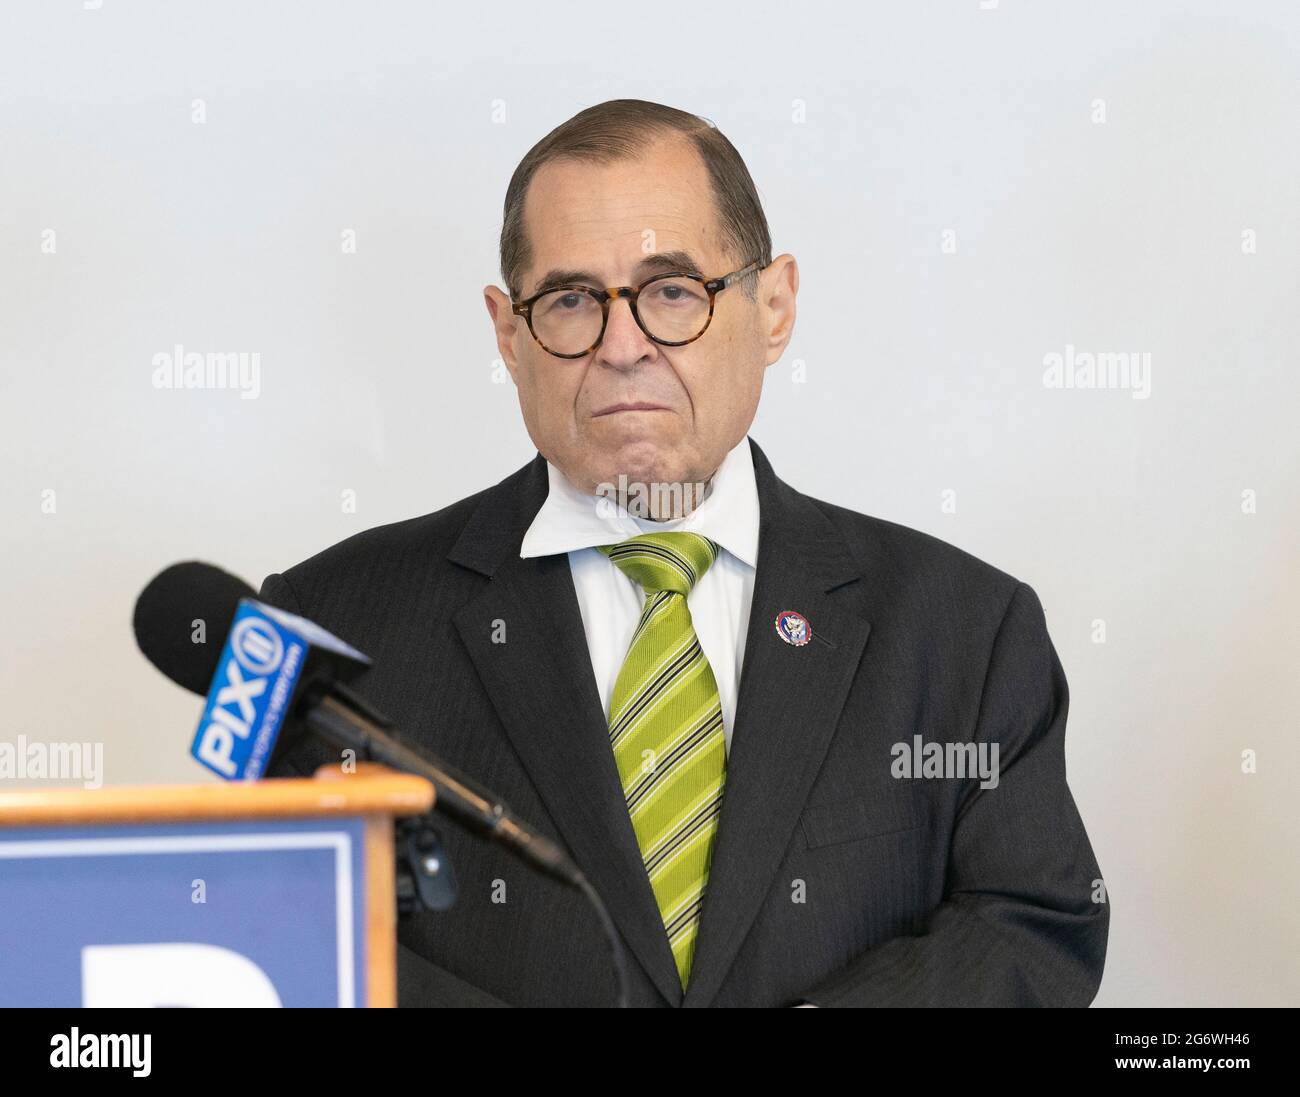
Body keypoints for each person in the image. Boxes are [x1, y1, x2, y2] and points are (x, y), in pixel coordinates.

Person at [260, 98, 1109, 1007]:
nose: (623, 347)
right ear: (510, 335)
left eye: (672, 291)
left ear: (774, 306)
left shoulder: (965, 630)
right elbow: (282, 931)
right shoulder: (325, 628)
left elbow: (1030, 918)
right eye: (573, 299)